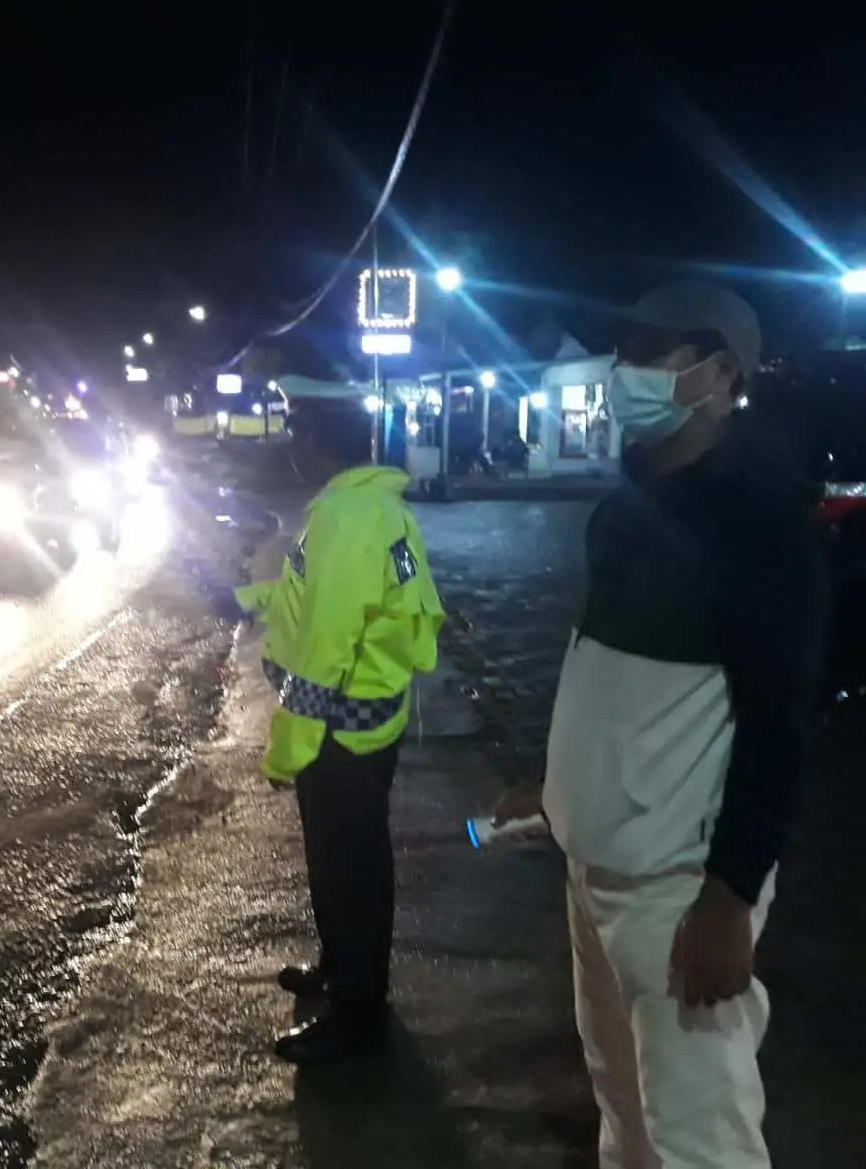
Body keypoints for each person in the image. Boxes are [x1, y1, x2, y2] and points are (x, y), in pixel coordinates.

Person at [495, 282, 827, 1168]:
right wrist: (558, 789)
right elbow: (607, 680)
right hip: (592, 873)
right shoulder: (624, 509)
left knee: (700, 1137)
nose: (624, 369)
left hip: (676, 893)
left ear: (722, 375)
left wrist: (729, 898)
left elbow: (779, 727)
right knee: (624, 1112)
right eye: (623, 348)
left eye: (651, 352)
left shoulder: (764, 526)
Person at [234, 383, 446, 1064]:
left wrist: (287, 752)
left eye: (297, 434)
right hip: (368, 718)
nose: (291, 447)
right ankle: (341, 968)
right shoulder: (373, 506)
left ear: (316, 444)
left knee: (348, 867)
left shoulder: (346, 517)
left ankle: (357, 1012)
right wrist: (245, 598)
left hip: (338, 730)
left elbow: (326, 646)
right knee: (348, 861)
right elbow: (318, 595)